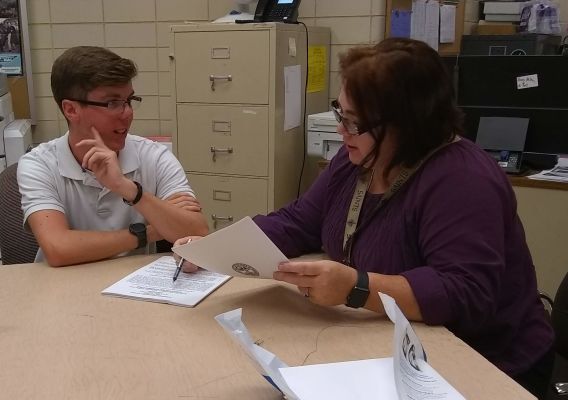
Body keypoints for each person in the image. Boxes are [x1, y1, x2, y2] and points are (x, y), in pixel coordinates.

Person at [176, 38, 554, 398]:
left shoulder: (462, 179)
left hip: (487, 364)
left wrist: (358, 287)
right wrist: (215, 249)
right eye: (341, 112)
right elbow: (300, 222)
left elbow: (465, 293)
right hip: (387, 348)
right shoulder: (356, 159)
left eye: (354, 122)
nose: (341, 130)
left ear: (407, 124)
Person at [18, 46, 208, 267]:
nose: (127, 113)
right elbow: (58, 248)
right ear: (71, 110)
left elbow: (197, 231)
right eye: (112, 103)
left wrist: (126, 188)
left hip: (137, 285)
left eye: (129, 100)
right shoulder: (38, 164)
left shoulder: (154, 156)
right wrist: (149, 232)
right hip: (62, 289)